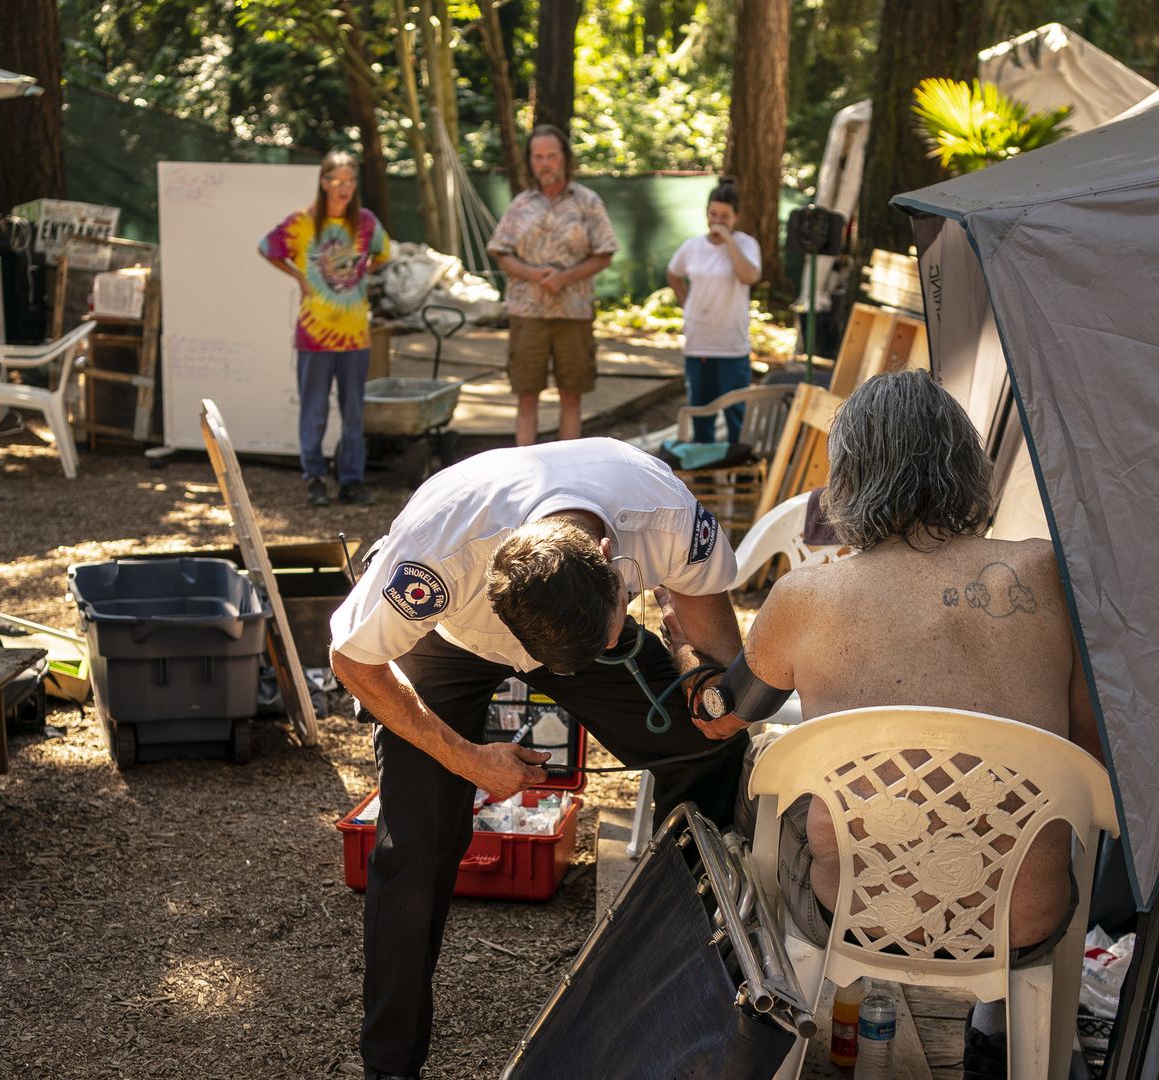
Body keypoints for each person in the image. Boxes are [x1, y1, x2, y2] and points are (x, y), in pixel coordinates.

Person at [662, 370, 1103, 1080]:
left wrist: (686, 652)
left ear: (848, 477)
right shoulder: (1048, 573)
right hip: (1021, 922)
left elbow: (722, 719)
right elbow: (1084, 753)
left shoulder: (805, 595)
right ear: (967, 464)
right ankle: (1001, 1024)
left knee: (763, 786)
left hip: (861, 915)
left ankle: (791, 1012)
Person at [328, 438, 751, 1080]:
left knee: (708, 744)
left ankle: (682, 968)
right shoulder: (438, 552)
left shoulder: (663, 514)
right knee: (417, 840)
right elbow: (352, 659)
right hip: (453, 639)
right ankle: (390, 1063)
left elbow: (712, 639)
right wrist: (468, 760)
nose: (541, 679)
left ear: (613, 564)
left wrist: (705, 684)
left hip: (582, 628)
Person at [259, 149, 392, 508]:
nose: (344, 187)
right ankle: (314, 478)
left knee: (353, 412)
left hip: (355, 337)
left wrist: (360, 275)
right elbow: (266, 247)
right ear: (324, 182)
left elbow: (384, 253)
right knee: (314, 410)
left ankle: (351, 480)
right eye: (337, 180)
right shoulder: (304, 221)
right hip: (313, 336)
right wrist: (299, 276)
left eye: (350, 181)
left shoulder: (365, 222)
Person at [486, 125, 618, 446]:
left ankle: (568, 474)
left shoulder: (588, 201)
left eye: (551, 156)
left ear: (564, 159)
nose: (545, 163)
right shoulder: (520, 205)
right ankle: (525, 474)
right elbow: (501, 252)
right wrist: (534, 274)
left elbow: (605, 253)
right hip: (527, 312)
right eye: (538, 157)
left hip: (573, 313)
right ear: (530, 161)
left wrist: (565, 277)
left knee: (571, 395)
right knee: (526, 395)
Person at [666, 176, 762, 444]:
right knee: (701, 415)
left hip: (731, 344)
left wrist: (729, 240)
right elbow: (673, 274)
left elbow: (748, 277)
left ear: (736, 216)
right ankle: (705, 476)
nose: (717, 220)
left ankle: (741, 476)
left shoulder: (746, 244)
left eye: (724, 215)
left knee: (736, 416)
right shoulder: (692, 246)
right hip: (700, 343)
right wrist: (686, 302)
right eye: (712, 213)